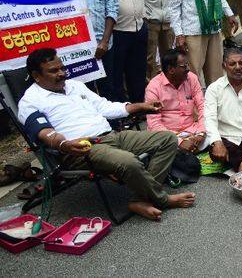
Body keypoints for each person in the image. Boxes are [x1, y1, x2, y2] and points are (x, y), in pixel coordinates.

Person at [18, 48, 191, 221]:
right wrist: (64, 144)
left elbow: (104, 107)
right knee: (129, 161)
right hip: (83, 149)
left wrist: (140, 106)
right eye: (54, 71)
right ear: (36, 75)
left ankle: (141, 199)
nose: (62, 73)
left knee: (167, 139)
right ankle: (162, 199)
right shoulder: (30, 101)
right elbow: (45, 133)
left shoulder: (74, 86)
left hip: (111, 136)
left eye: (62, 68)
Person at [145, 49, 206, 153]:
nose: (188, 69)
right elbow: (154, 124)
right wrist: (179, 141)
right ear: (171, 69)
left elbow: (202, 106)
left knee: (216, 137)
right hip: (166, 134)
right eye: (184, 66)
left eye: (188, 65)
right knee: (167, 148)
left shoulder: (192, 78)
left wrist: (201, 132)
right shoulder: (154, 87)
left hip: (192, 131)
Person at [113, 0, 147, 102]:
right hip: (118, 31)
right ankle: (123, 109)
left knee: (138, 72)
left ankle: (139, 107)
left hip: (139, 28)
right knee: (117, 74)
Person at [85, 0, 117, 99]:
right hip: (80, 47)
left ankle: (111, 117)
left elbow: (112, 11)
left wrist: (104, 42)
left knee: (107, 86)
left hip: (104, 45)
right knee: (85, 89)